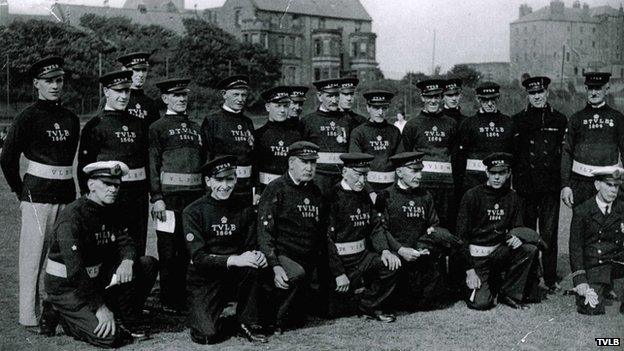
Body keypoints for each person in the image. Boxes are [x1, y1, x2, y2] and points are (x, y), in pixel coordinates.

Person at [0, 56, 80, 330]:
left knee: (65, 256)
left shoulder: (70, 118)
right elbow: (7, 158)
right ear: (37, 84)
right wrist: (18, 188)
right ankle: (28, 314)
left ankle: (63, 311)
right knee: (33, 256)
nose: (55, 85)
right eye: (48, 81)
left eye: (58, 80)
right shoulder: (27, 116)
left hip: (66, 194)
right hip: (37, 196)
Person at [42, 161, 158, 348]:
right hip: (68, 287)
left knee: (147, 264)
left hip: (96, 281)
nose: (113, 189)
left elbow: (126, 241)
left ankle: (126, 316)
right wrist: (100, 308)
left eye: (117, 185)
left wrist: (127, 261)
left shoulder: (112, 209)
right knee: (111, 338)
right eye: (107, 184)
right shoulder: (72, 215)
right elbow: (75, 271)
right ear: (91, 185)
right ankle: (59, 311)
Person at [183, 155, 269, 344]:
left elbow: (250, 245)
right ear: (208, 181)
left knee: (253, 265)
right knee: (206, 336)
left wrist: (257, 254)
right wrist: (233, 259)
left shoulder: (244, 208)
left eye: (229, 179)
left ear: (236, 179)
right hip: (205, 278)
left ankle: (247, 321)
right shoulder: (193, 211)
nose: (225, 185)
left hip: (235, 275)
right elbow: (198, 257)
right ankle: (214, 316)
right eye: (219, 180)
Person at [78, 70, 150, 255]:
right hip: (111, 194)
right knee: (111, 245)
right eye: (118, 91)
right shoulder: (95, 124)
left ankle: (135, 284)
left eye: (127, 91)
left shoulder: (139, 123)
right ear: (106, 92)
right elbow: (84, 165)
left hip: (138, 195)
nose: (124, 96)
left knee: (137, 244)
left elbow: (146, 160)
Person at [376, 152, 459, 310]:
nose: (420, 176)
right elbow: (381, 229)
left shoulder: (425, 195)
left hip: (419, 254)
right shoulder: (385, 196)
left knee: (425, 303)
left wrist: (423, 248)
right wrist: (400, 250)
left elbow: (433, 224)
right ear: (399, 172)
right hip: (398, 256)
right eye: (414, 171)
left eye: (420, 171)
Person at [257, 141, 326, 333]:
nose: (309, 168)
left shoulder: (314, 190)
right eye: (304, 162)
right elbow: (264, 231)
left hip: (306, 255)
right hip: (282, 254)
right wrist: (275, 264)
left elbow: (319, 230)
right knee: (295, 274)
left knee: (307, 314)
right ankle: (273, 321)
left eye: (313, 163)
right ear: (291, 163)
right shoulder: (276, 188)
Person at [148, 78, 205, 313]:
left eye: (184, 95)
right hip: (168, 199)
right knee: (168, 248)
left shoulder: (195, 128)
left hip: (193, 198)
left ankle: (183, 296)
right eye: (176, 95)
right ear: (165, 99)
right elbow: (152, 164)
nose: (182, 99)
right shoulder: (157, 127)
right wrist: (156, 197)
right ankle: (169, 299)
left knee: (188, 246)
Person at [457, 152, 540, 310]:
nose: (497, 177)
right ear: (486, 173)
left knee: (528, 249)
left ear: (508, 174)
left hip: (498, 254)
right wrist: (469, 270)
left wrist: (517, 237)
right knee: (482, 303)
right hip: (477, 259)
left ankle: (509, 293)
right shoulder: (472, 196)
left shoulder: (513, 197)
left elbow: (517, 227)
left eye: (501, 173)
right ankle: (481, 284)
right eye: (493, 173)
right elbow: (461, 238)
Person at [325, 153, 399, 322]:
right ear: (344, 172)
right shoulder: (332, 197)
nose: (362, 180)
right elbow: (326, 239)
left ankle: (369, 305)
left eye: (365, 175)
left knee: (391, 265)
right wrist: (338, 273)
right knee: (332, 310)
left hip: (362, 257)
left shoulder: (364, 195)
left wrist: (385, 251)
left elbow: (375, 226)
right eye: (358, 174)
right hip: (340, 261)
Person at [512, 76, 567, 293]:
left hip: (550, 187)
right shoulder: (517, 120)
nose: (537, 96)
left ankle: (551, 278)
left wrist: (563, 184)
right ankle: (530, 275)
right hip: (526, 187)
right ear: (527, 95)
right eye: (532, 93)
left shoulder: (559, 120)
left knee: (549, 233)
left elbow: (563, 155)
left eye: (540, 92)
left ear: (547, 93)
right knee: (527, 233)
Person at [561, 72, 624, 209]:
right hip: (580, 183)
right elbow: (566, 152)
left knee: (607, 225)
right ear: (586, 89)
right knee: (580, 225)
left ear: (607, 89)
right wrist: (565, 185)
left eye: (598, 88)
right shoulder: (576, 119)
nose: (594, 93)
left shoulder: (617, 118)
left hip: (608, 182)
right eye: (590, 88)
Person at [402, 79, 458, 231]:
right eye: (429, 97)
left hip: (446, 186)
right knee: (422, 226)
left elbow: (455, 154)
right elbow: (405, 155)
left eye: (437, 97)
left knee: (445, 226)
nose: (433, 101)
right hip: (422, 186)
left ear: (441, 98)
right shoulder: (412, 125)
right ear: (422, 98)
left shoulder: (451, 124)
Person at [569, 166, 624, 315]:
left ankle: (609, 285)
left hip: (618, 262)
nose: (613, 190)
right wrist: (580, 280)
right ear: (597, 185)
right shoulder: (582, 211)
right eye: (609, 184)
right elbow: (576, 248)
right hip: (596, 265)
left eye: (617, 186)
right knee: (590, 307)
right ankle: (603, 286)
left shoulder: (621, 208)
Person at [201, 74, 255, 204]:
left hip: (245, 187)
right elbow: (206, 155)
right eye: (236, 95)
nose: (240, 99)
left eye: (243, 95)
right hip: (222, 186)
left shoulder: (248, 122)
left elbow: (252, 156)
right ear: (224, 94)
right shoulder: (212, 120)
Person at [300, 79, 357, 195]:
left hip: (342, 177)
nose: (334, 100)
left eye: (336, 95)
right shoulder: (308, 121)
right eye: (329, 96)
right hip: (318, 178)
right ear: (320, 96)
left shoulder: (347, 120)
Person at [457, 82, 514, 193]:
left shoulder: (508, 123)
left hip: (500, 180)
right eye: (484, 100)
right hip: (474, 180)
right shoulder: (468, 124)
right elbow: (461, 157)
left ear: (498, 98)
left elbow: (513, 153)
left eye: (493, 100)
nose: (489, 104)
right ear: (478, 99)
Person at [349, 90, 403, 191]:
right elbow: (356, 165)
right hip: (366, 187)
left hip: (390, 187)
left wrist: (394, 189)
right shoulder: (359, 132)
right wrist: (369, 191)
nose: (380, 112)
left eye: (384, 108)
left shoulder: (394, 131)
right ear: (368, 108)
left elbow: (400, 162)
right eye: (376, 108)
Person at [254, 86, 302, 189]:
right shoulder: (259, 135)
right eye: (278, 106)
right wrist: (257, 191)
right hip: (264, 189)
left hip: (289, 189)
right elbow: (254, 166)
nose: (282, 110)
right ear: (267, 107)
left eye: (285, 106)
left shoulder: (296, 136)